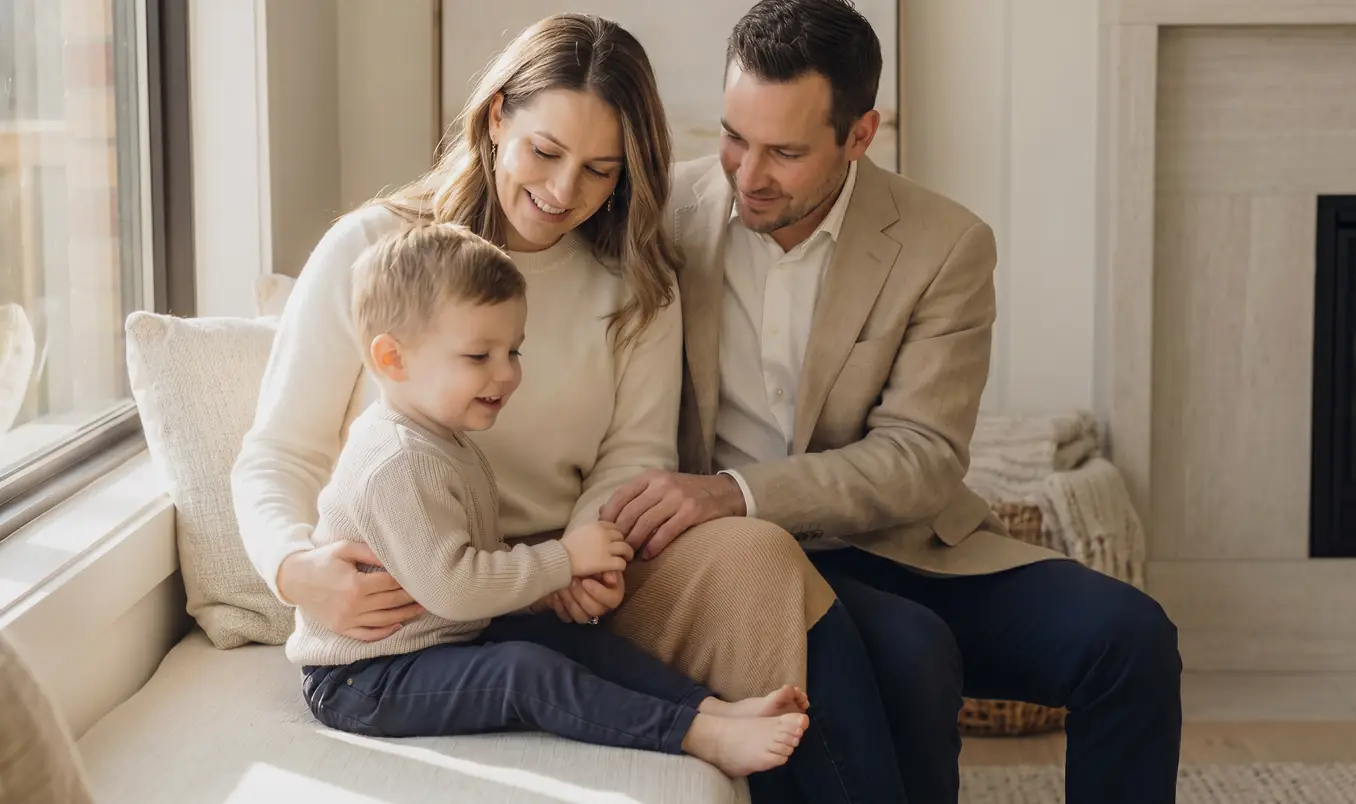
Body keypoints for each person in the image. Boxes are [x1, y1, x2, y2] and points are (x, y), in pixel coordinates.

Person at [232, 12, 908, 803]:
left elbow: (633, 455)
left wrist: (587, 552)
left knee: (780, 575)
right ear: (496, 119)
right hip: (420, 597)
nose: (563, 193)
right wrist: (293, 570)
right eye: (546, 153)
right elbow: (279, 453)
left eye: (600, 170)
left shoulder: (635, 285)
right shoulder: (374, 252)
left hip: (577, 569)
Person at [602, 1, 1185, 802]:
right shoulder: (659, 219)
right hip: (748, 565)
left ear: (860, 135)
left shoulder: (945, 243)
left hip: (903, 542)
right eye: (735, 136)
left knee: (1130, 636)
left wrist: (733, 492)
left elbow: (921, 458)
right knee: (914, 653)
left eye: (786, 151)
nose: (748, 173)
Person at [290, 222, 809, 775]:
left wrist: (538, 595)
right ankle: (694, 734)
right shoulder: (397, 461)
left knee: (565, 639)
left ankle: (709, 708)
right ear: (393, 360)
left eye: (513, 350)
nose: (507, 374)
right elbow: (454, 588)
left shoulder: (441, 439)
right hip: (365, 678)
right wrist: (564, 560)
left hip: (440, 642)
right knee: (523, 671)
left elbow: (470, 570)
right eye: (478, 356)